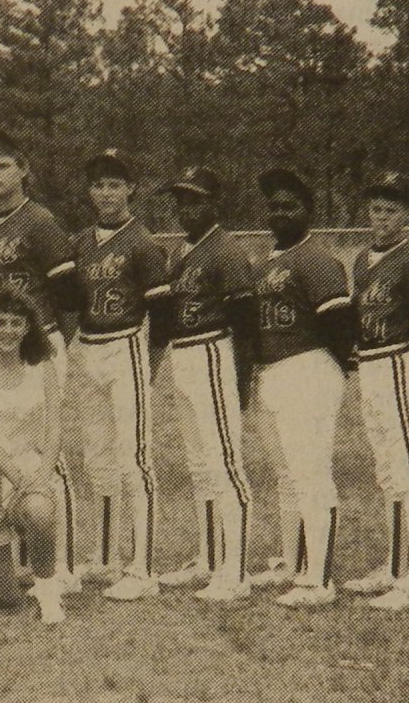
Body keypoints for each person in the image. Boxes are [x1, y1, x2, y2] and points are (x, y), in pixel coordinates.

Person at [0, 128, 79, 588]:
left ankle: (61, 564)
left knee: (48, 452)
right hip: (1, 344)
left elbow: (69, 297)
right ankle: (18, 561)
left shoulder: (40, 221)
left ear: (24, 170)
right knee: (1, 444)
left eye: (4, 165)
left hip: (40, 341)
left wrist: (52, 348)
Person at [248, 167, 355, 609]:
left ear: (309, 211)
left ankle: (319, 579)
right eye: (273, 206)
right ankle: (295, 564)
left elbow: (339, 325)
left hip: (308, 366)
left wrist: (328, 370)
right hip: (273, 372)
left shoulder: (317, 258)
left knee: (311, 475)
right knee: (286, 476)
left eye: (289, 205)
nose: (279, 214)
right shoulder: (270, 258)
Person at [65, 149, 170, 600]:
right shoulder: (81, 242)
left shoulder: (143, 242)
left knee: (135, 459)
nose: (106, 193)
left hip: (127, 343)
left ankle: (143, 569)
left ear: (131, 188)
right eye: (98, 184)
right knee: (96, 458)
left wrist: (148, 365)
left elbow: (162, 314)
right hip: (88, 347)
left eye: (114, 184)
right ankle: (106, 556)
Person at [158, 165, 256, 602]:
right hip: (185, 353)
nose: (185, 209)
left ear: (214, 204)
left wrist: (240, 381)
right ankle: (209, 558)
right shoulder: (180, 251)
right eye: (180, 200)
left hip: (216, 350)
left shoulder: (227, 251)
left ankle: (234, 573)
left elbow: (245, 323)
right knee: (200, 466)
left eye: (194, 200)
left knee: (224, 465)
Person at [345, 171, 409, 611]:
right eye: (376, 208)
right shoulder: (363, 259)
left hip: (400, 362)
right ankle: (395, 565)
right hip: (371, 365)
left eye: (391, 210)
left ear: (407, 214)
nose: (381, 217)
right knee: (386, 470)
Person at [0, 286, 67, 624]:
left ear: (28, 327)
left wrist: (42, 476)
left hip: (33, 466)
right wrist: (17, 478)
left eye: (16, 323)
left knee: (40, 508)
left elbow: (54, 428)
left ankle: (48, 592)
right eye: (0, 322)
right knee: (6, 599)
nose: (8, 330)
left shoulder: (44, 367)